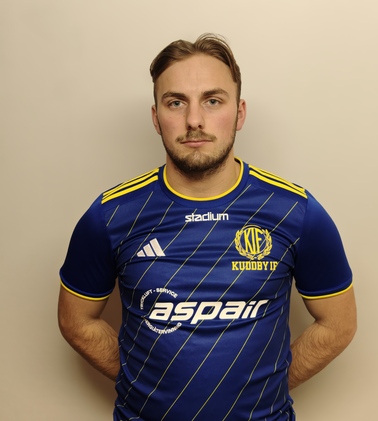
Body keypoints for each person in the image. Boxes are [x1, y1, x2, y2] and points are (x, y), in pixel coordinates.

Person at [58, 33, 357, 421]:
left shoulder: (296, 212)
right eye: (176, 102)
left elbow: (338, 324)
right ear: (156, 117)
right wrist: (140, 381)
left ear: (240, 113)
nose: (194, 120)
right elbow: (76, 321)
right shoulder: (110, 215)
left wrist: (268, 388)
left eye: (213, 101)